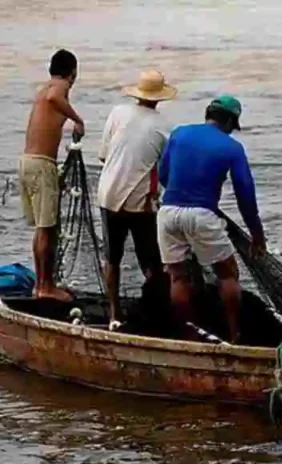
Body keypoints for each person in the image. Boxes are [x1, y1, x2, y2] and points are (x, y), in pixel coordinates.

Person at [156, 94, 266, 343]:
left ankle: (189, 336)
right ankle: (234, 334)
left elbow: (163, 174)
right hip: (202, 215)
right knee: (228, 274)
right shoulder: (232, 148)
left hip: (168, 210)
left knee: (178, 276)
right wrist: (257, 235)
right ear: (228, 121)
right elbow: (245, 196)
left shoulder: (179, 133)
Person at [97, 69, 177, 327]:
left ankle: (113, 314)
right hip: (140, 202)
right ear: (160, 97)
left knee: (112, 257)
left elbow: (103, 156)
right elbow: (166, 171)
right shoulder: (165, 127)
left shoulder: (117, 113)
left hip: (107, 194)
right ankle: (155, 313)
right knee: (151, 261)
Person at [18, 49, 85, 302]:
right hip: (40, 165)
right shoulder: (59, 87)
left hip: (28, 162)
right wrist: (77, 120)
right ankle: (46, 287)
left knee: (43, 229)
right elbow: (56, 97)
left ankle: (41, 285)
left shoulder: (42, 89)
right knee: (48, 229)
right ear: (73, 73)